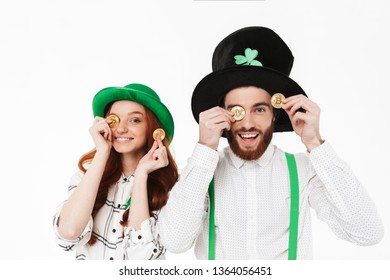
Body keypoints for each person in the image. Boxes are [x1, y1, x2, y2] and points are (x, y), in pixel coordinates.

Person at [159, 26, 384, 259]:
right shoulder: (202, 172)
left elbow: (368, 233)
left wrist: (316, 143)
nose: (247, 123)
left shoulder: (304, 170)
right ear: (223, 115)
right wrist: (204, 149)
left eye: (259, 109)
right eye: (236, 110)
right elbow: (175, 241)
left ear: (275, 115)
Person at [53, 83, 178, 260]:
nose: (120, 129)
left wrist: (142, 174)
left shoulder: (172, 188)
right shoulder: (84, 177)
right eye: (114, 119)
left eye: (135, 120)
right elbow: (68, 234)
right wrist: (102, 151)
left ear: (155, 131)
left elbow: (141, 261)